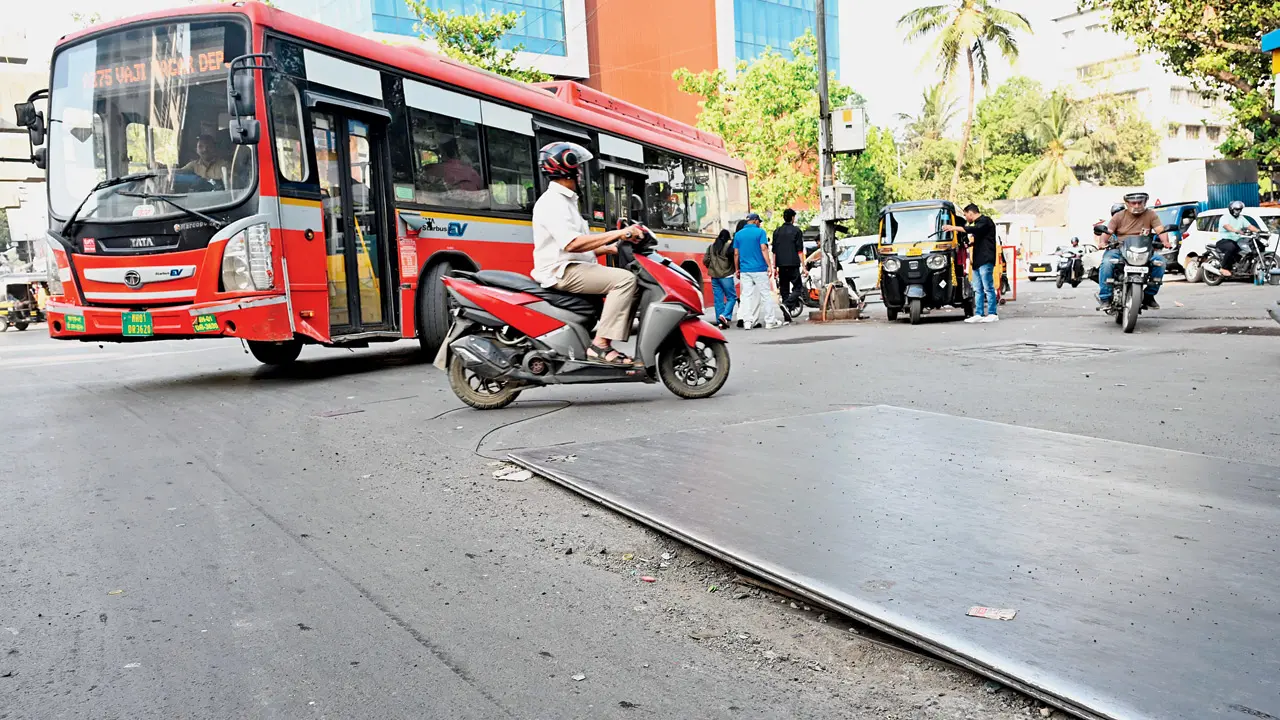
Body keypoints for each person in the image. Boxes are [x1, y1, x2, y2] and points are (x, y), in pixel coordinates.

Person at [531, 141, 641, 365]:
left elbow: (574, 245)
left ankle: (603, 336)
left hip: (572, 266)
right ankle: (600, 346)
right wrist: (617, 233)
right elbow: (572, 244)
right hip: (561, 271)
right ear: (566, 168)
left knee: (636, 282)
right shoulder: (553, 202)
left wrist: (610, 246)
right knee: (625, 280)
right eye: (578, 167)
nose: (581, 172)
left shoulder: (567, 200)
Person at [1095, 191, 1167, 309]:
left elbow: (1160, 230)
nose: (1137, 206)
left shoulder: (1151, 215)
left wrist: (1166, 242)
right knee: (1107, 262)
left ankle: (1149, 296)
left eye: (1140, 203)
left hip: (1145, 250)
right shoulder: (1118, 216)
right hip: (1120, 249)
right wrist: (1102, 242)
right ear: (1127, 204)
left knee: (1161, 262)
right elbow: (1108, 231)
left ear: (1145, 203)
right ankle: (1105, 298)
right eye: (1133, 203)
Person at [943, 203, 999, 323]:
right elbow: (980, 237)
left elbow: (974, 229)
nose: (966, 218)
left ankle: (992, 313)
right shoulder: (979, 224)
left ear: (971, 213)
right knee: (977, 288)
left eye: (965, 215)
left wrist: (954, 228)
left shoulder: (985, 221)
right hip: (977, 260)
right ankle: (978, 313)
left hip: (986, 259)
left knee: (988, 287)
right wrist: (970, 244)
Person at [734, 212, 782, 330]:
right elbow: (764, 248)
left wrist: (737, 269)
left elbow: (736, 253)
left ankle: (747, 322)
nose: (759, 224)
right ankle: (770, 321)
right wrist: (769, 265)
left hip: (745, 270)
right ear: (755, 221)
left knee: (746, 296)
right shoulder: (760, 232)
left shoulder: (738, 234)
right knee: (765, 295)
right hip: (759, 269)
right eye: (759, 222)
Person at [1215, 200, 1260, 277]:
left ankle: (1244, 267)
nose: (1238, 211)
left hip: (1237, 241)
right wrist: (1236, 230)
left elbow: (1250, 226)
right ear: (1231, 209)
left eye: (1239, 209)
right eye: (1236, 209)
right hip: (1225, 241)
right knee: (1232, 247)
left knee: (1249, 247)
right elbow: (1227, 226)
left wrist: (1260, 231)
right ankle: (1223, 268)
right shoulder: (1225, 217)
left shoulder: (1241, 218)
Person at [771, 208, 806, 308]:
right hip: (793, 264)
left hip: (781, 264)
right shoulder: (797, 231)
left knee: (784, 289)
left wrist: (774, 267)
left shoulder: (776, 232)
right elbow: (799, 250)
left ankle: (787, 314)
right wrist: (803, 266)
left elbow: (774, 251)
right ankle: (787, 305)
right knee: (798, 287)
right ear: (792, 218)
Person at [704, 228, 737, 330]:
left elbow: (705, 260)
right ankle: (725, 315)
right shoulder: (728, 246)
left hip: (714, 277)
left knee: (718, 299)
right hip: (726, 276)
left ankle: (720, 322)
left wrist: (713, 267)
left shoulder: (711, 247)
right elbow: (734, 257)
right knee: (732, 297)